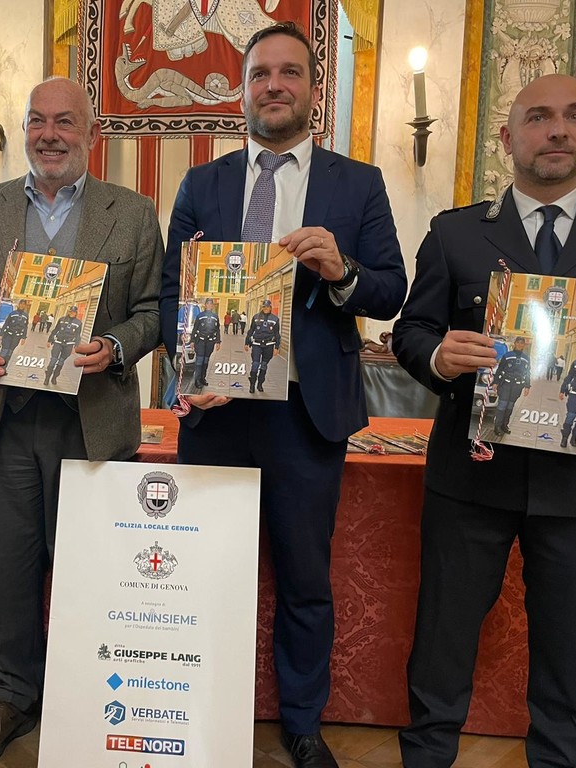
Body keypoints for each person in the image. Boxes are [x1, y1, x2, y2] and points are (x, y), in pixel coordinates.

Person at [391, 74, 576, 768]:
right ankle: (427, 756)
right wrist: (438, 355)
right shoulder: (456, 233)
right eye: (540, 117)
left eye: (575, 116)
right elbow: (413, 329)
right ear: (508, 136)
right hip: (471, 479)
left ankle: (560, 760)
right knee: (443, 640)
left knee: (569, 654)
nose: (558, 130)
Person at [159, 21, 406, 768]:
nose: (274, 85)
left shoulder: (357, 183)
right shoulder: (202, 184)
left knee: (304, 580)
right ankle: (202, 712)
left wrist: (343, 272)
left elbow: (391, 290)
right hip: (218, 416)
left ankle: (301, 723)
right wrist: (188, 370)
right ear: (241, 91)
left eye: (289, 72)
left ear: (313, 89)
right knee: (207, 576)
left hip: (307, 415)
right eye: (260, 73)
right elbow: (171, 293)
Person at [0, 77, 163, 767]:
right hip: (5, 421)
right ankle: (13, 696)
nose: (49, 134)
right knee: (7, 571)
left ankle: (86, 697)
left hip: (89, 425)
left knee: (89, 571)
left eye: (65, 121)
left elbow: (153, 310)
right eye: (37, 120)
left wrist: (115, 345)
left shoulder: (133, 212)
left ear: (91, 134)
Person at [491, 335, 531, 435]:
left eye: (522, 343)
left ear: (524, 345)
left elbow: (527, 373)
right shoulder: (507, 355)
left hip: (517, 386)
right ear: (515, 343)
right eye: (518, 342)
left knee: (510, 406)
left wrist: (527, 386)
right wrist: (495, 382)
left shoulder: (526, 358)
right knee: (502, 405)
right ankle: (497, 427)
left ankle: (504, 425)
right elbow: (499, 369)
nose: (519, 344)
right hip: (506, 384)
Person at [244, 298, 282, 393]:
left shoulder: (275, 319)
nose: (265, 308)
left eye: (267, 307)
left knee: (264, 365)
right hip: (257, 344)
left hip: (269, 345)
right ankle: (252, 384)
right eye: (264, 306)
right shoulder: (256, 317)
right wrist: (246, 342)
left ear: (270, 307)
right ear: (262, 307)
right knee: (255, 364)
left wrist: (277, 347)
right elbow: (251, 330)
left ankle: (260, 384)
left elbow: (277, 334)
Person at [44, 304, 83, 386]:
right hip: (58, 342)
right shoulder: (62, 319)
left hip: (69, 344)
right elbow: (55, 330)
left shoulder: (78, 323)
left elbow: (77, 335)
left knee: (61, 361)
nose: (72, 313)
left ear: (76, 313)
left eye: (74, 312)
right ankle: (47, 378)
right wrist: (49, 340)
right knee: (53, 360)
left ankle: (54, 377)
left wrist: (75, 347)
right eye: (71, 311)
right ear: (68, 312)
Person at [190, 297, 222, 387]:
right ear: (205, 305)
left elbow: (217, 330)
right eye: (208, 303)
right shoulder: (200, 316)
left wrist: (218, 342)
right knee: (200, 360)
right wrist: (192, 340)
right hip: (200, 341)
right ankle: (197, 380)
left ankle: (202, 378)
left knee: (206, 360)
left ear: (212, 306)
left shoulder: (215, 317)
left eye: (211, 304)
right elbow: (195, 328)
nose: (209, 305)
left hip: (210, 342)